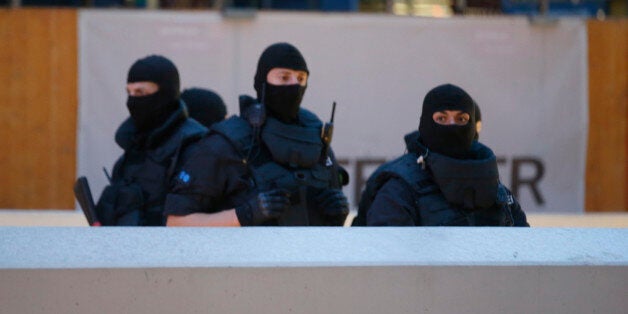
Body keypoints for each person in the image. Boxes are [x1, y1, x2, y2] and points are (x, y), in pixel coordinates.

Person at [164, 42, 349, 227]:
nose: (294, 85)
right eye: (284, 77)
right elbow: (176, 222)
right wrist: (243, 215)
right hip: (246, 255)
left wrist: (336, 214)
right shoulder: (226, 142)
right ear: (262, 82)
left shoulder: (317, 140)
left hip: (311, 255)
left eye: (301, 79)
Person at [353, 83, 528, 227]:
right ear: (426, 123)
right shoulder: (400, 187)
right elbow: (387, 261)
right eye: (442, 119)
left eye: (461, 119)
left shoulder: (493, 185)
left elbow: (524, 254)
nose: (452, 127)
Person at [95, 55, 208, 226]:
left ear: (166, 93)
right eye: (129, 92)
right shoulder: (132, 148)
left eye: (141, 92)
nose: (132, 100)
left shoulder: (193, 146)